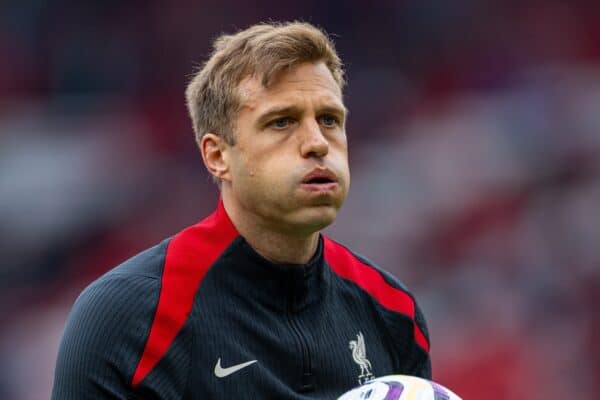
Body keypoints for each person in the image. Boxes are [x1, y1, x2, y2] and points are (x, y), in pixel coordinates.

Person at [51, 21, 431, 399]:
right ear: (217, 156)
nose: (317, 143)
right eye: (281, 122)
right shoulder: (126, 316)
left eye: (329, 120)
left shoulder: (392, 313)